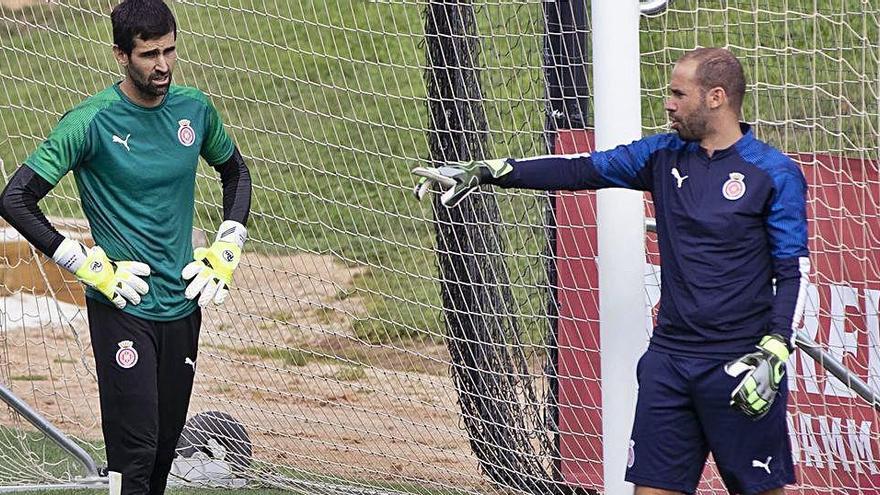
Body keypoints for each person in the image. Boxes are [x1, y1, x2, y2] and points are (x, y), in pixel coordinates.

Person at [413, 47, 808, 495]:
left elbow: (792, 270)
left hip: (740, 364)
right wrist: (495, 171)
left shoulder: (773, 173)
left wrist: (776, 348)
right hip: (670, 361)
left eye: (679, 94)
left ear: (716, 97)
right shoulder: (662, 155)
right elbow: (582, 169)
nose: (668, 104)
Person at [0, 0, 252, 493]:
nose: (162, 65)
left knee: (162, 453)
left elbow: (235, 172)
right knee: (133, 457)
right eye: (148, 54)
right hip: (123, 306)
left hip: (182, 303)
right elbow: (15, 198)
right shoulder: (89, 122)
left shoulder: (195, 109)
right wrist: (83, 263)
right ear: (121, 55)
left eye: (169, 51)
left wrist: (229, 244)